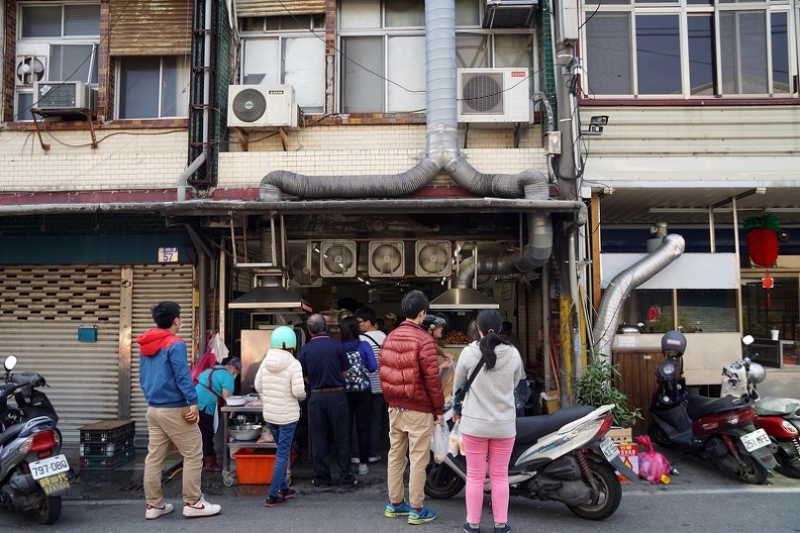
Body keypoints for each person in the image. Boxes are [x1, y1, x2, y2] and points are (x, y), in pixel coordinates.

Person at [135, 301, 221, 520]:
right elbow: (183, 376)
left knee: (154, 458)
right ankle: (193, 502)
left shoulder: (146, 344)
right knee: (194, 453)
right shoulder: (175, 344)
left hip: (153, 409)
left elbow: (143, 378)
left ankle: (154, 505)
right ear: (176, 320)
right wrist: (193, 401)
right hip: (174, 408)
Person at [453, 309, 524, 533]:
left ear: (478, 327)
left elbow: (458, 386)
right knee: (500, 476)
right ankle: (500, 524)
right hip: (504, 425)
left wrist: (457, 409)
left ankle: (473, 524)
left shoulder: (467, 353)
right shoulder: (513, 354)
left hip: (474, 424)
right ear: (501, 328)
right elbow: (515, 384)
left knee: (474, 476)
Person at [379, 290, 444, 525]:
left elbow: (383, 371)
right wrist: (439, 410)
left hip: (395, 407)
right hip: (419, 408)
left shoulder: (390, 337)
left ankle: (395, 504)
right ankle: (417, 509)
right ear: (422, 313)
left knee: (395, 454)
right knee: (417, 458)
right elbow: (433, 381)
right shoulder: (424, 340)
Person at [299, 313, 357, 488]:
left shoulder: (305, 349)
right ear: (325, 327)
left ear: (309, 331)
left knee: (319, 438)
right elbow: (346, 372)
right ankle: (345, 477)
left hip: (316, 396)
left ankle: (322, 478)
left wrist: (317, 381)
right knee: (342, 437)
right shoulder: (338, 345)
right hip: (338, 395)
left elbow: (304, 376)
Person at [254, 325, 307, 507]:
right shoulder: (293, 364)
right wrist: (303, 396)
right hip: (288, 416)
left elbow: (258, 385)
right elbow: (299, 392)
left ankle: (284, 488)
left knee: (280, 451)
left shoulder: (266, 361)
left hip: (270, 415)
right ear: (291, 344)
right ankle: (273, 495)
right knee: (282, 454)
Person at [340, 316, 378, 475]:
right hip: (364, 392)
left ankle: (346, 463)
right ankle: (363, 463)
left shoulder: (338, 347)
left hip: (344, 392)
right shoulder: (364, 345)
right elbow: (373, 366)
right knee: (363, 428)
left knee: (345, 428)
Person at [195, 356, 241, 472]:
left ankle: (199, 462)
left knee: (196, 435)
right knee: (206, 435)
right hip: (204, 405)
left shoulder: (212, 369)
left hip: (192, 402)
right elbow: (227, 397)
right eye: (237, 372)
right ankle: (210, 464)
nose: (236, 375)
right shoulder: (228, 375)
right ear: (233, 368)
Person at [354, 306, 386, 463]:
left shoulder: (361, 341)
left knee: (359, 421)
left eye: (359, 322)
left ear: (368, 322)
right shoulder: (386, 338)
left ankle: (357, 454)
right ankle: (373, 453)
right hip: (380, 387)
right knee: (375, 421)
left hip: (363, 387)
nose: (357, 325)